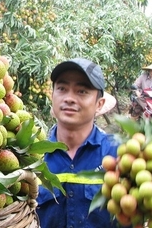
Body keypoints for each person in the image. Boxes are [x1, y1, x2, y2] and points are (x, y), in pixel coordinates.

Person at [36, 58, 119, 228]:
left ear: (99, 104)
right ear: (52, 96)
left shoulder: (118, 155)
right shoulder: (33, 158)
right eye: (62, 89)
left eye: (81, 91)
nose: (69, 98)